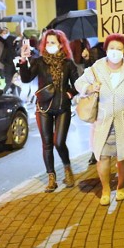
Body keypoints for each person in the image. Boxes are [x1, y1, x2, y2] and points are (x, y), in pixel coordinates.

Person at [75, 33, 124, 206]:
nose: (115, 51)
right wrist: (89, 87)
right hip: (102, 121)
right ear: (105, 50)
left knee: (123, 156)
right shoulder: (96, 67)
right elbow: (79, 83)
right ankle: (106, 189)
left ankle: (121, 185)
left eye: (119, 48)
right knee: (103, 156)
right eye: (111, 48)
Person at [19, 30, 79, 192]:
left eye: (53, 42)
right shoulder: (39, 61)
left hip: (62, 108)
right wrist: (23, 60)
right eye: (47, 43)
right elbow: (25, 79)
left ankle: (67, 168)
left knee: (59, 142)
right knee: (47, 144)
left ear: (61, 44)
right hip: (43, 108)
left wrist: (69, 93)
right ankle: (51, 177)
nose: (49, 45)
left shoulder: (68, 63)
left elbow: (77, 84)